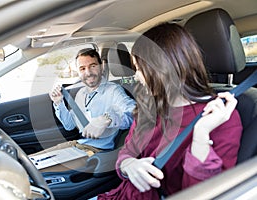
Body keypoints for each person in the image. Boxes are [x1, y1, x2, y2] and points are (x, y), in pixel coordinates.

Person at [97, 23, 243, 199]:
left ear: (164, 67)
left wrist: (201, 135)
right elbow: (128, 150)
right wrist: (128, 165)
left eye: (140, 68)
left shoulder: (221, 117)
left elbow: (201, 194)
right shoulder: (149, 106)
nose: (136, 76)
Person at [48, 48, 136, 154]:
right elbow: (70, 126)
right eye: (82, 68)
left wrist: (107, 119)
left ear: (102, 67)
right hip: (77, 145)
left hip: (96, 151)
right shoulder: (81, 93)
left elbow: (133, 113)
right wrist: (58, 103)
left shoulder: (113, 90)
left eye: (93, 66)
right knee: (27, 163)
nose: (88, 72)